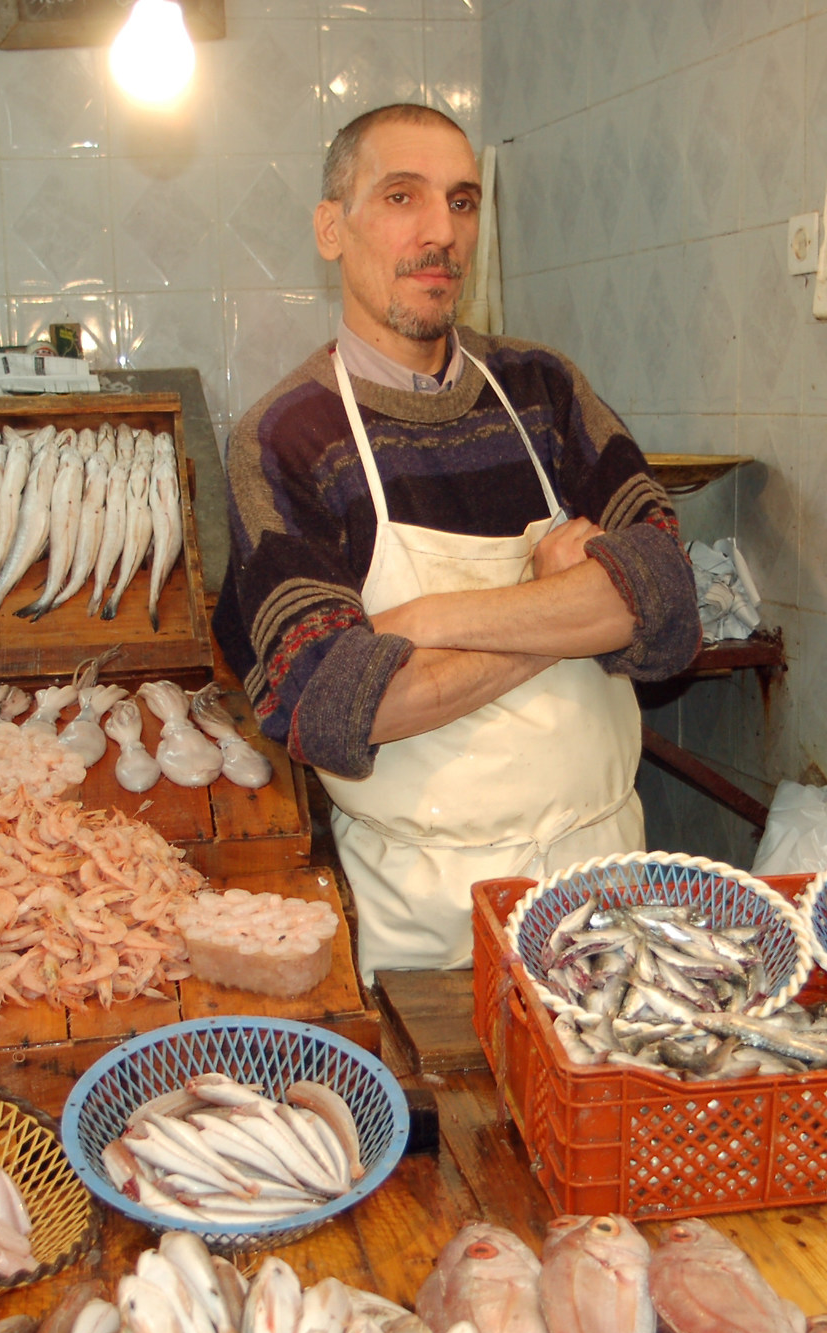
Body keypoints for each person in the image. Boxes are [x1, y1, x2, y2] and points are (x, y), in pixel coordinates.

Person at [215, 102, 701, 974]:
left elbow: (663, 598)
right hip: (433, 927)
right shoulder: (283, 438)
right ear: (332, 227)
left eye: (463, 201)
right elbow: (341, 707)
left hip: (617, 897)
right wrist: (558, 610)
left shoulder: (543, 389)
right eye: (402, 197)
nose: (441, 231)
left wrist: (430, 621)